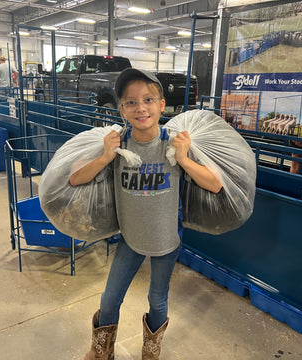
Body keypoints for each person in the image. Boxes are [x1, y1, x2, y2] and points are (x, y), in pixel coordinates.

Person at [71, 68, 222, 360]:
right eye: (131, 102)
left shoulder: (176, 143)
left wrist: (183, 159)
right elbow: (76, 178)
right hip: (130, 238)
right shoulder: (117, 144)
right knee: (110, 297)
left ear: (162, 105)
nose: (141, 107)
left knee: (157, 299)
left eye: (149, 99)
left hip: (166, 239)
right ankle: (102, 350)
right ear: (122, 110)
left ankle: (150, 352)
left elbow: (215, 185)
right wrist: (104, 157)